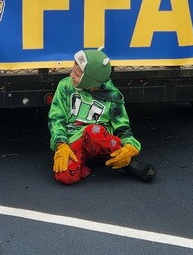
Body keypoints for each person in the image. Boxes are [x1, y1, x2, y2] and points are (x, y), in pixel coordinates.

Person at [48, 48, 156, 184]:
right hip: (74, 139)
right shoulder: (65, 86)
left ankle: (128, 162)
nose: (71, 75)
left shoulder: (112, 95)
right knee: (64, 176)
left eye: (76, 73)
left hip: (99, 140)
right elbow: (56, 118)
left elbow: (122, 127)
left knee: (93, 130)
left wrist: (130, 145)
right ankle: (85, 163)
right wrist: (61, 144)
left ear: (89, 79)